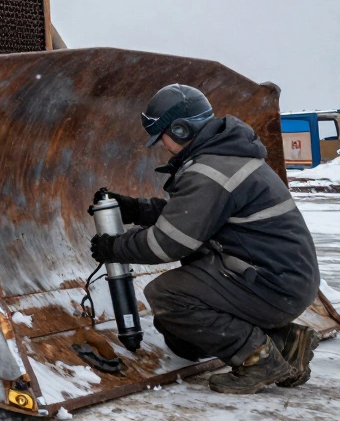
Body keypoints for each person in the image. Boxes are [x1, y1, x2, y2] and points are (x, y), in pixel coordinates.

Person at [90, 83, 321, 394]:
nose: (163, 146)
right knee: (177, 334)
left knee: (166, 296)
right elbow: (197, 216)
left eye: (163, 137)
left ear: (182, 129)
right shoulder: (226, 155)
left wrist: (115, 247)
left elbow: (168, 244)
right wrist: (138, 209)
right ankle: (285, 341)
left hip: (272, 284)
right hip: (284, 280)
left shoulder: (210, 171)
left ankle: (257, 357)